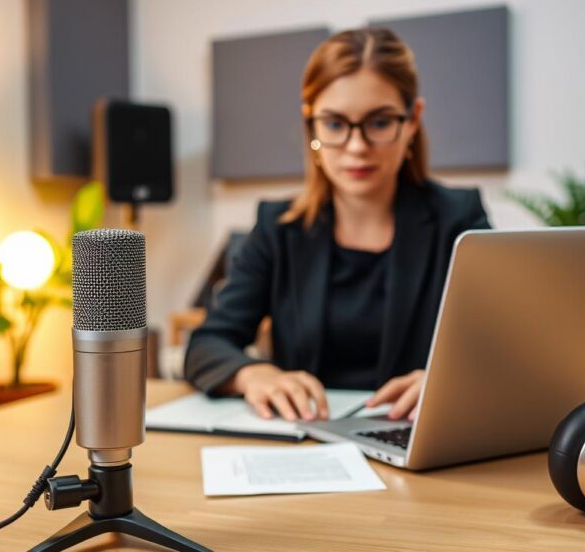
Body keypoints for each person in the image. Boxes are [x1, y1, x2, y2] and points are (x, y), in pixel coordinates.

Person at [185, 28, 490, 424]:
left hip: (416, 442)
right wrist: (253, 374)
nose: (356, 146)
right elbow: (207, 343)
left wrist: (453, 380)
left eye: (379, 123)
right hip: (308, 444)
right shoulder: (277, 227)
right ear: (311, 123)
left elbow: (507, 347)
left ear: (413, 120)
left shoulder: (459, 219)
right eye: (334, 124)